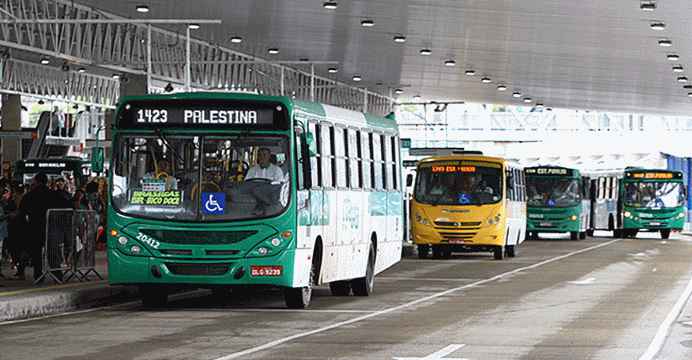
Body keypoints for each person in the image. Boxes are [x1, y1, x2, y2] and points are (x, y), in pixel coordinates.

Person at [17, 172, 72, 283]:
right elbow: (67, 206)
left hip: (35, 227)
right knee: (53, 252)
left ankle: (38, 275)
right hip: (53, 227)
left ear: (36, 181)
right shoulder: (54, 194)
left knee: (36, 253)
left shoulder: (30, 195)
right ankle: (57, 275)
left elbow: (22, 208)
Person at [238, 148, 286, 215]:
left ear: (269, 156)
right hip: (253, 203)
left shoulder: (277, 170)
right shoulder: (252, 170)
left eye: (264, 154)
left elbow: (279, 186)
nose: (262, 157)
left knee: (256, 189)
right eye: (260, 155)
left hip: (272, 203)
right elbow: (246, 185)